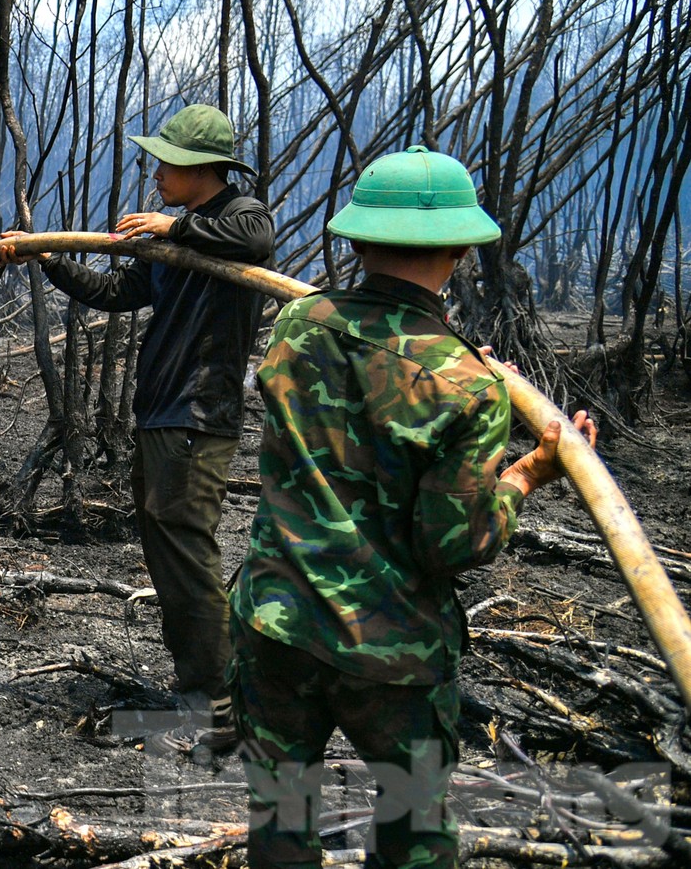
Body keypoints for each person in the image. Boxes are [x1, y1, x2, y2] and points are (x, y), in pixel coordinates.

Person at [231, 145, 595, 869]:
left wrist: (468, 377)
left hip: (275, 624)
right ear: (461, 247)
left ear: (358, 237)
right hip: (391, 653)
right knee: (414, 838)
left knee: (280, 823)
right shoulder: (467, 385)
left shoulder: (299, 324)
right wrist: (527, 472)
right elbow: (452, 544)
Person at [2, 102, 274, 754]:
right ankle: (198, 697)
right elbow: (116, 291)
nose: (155, 174)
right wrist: (47, 257)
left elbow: (256, 242)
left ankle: (217, 708)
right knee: (167, 556)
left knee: (188, 556)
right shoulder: (176, 235)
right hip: (160, 417)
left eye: (165, 164)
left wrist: (176, 228)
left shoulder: (239, 214)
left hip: (197, 417)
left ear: (199, 168)